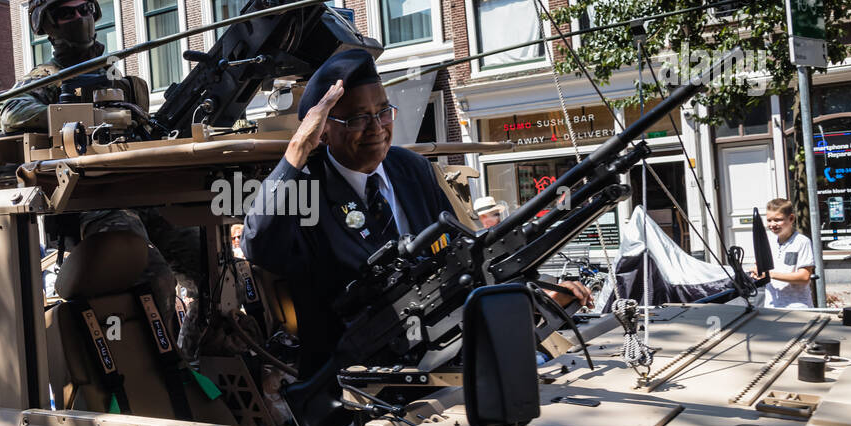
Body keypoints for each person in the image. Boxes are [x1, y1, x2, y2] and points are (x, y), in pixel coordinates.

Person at [243, 50, 591, 388]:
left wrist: (537, 288)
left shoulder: (411, 169)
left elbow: (463, 255)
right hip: (349, 389)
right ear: (324, 131)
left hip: (439, 367)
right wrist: (298, 150)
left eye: (383, 112)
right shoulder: (306, 188)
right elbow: (259, 244)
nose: (376, 128)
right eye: (357, 118)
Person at [0, 0, 148, 134]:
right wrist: (81, 117)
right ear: (49, 26)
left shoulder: (115, 78)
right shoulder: (45, 77)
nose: (80, 18)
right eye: (66, 13)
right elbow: (11, 112)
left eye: (85, 9)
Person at [756, 197, 815, 308]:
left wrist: (771, 275)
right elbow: (760, 266)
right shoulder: (768, 240)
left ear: (791, 219)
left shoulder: (802, 242)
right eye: (769, 220)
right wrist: (757, 271)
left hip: (797, 307)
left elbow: (804, 277)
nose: (772, 224)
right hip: (772, 305)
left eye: (778, 220)